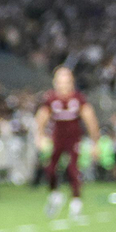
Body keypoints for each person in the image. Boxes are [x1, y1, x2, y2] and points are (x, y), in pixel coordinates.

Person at [36, 66, 100, 218]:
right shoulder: (51, 99)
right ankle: (55, 194)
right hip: (57, 138)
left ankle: (76, 202)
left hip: (73, 139)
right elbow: (41, 118)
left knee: (73, 170)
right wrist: (40, 136)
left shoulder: (77, 99)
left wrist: (95, 142)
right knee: (51, 168)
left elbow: (90, 119)